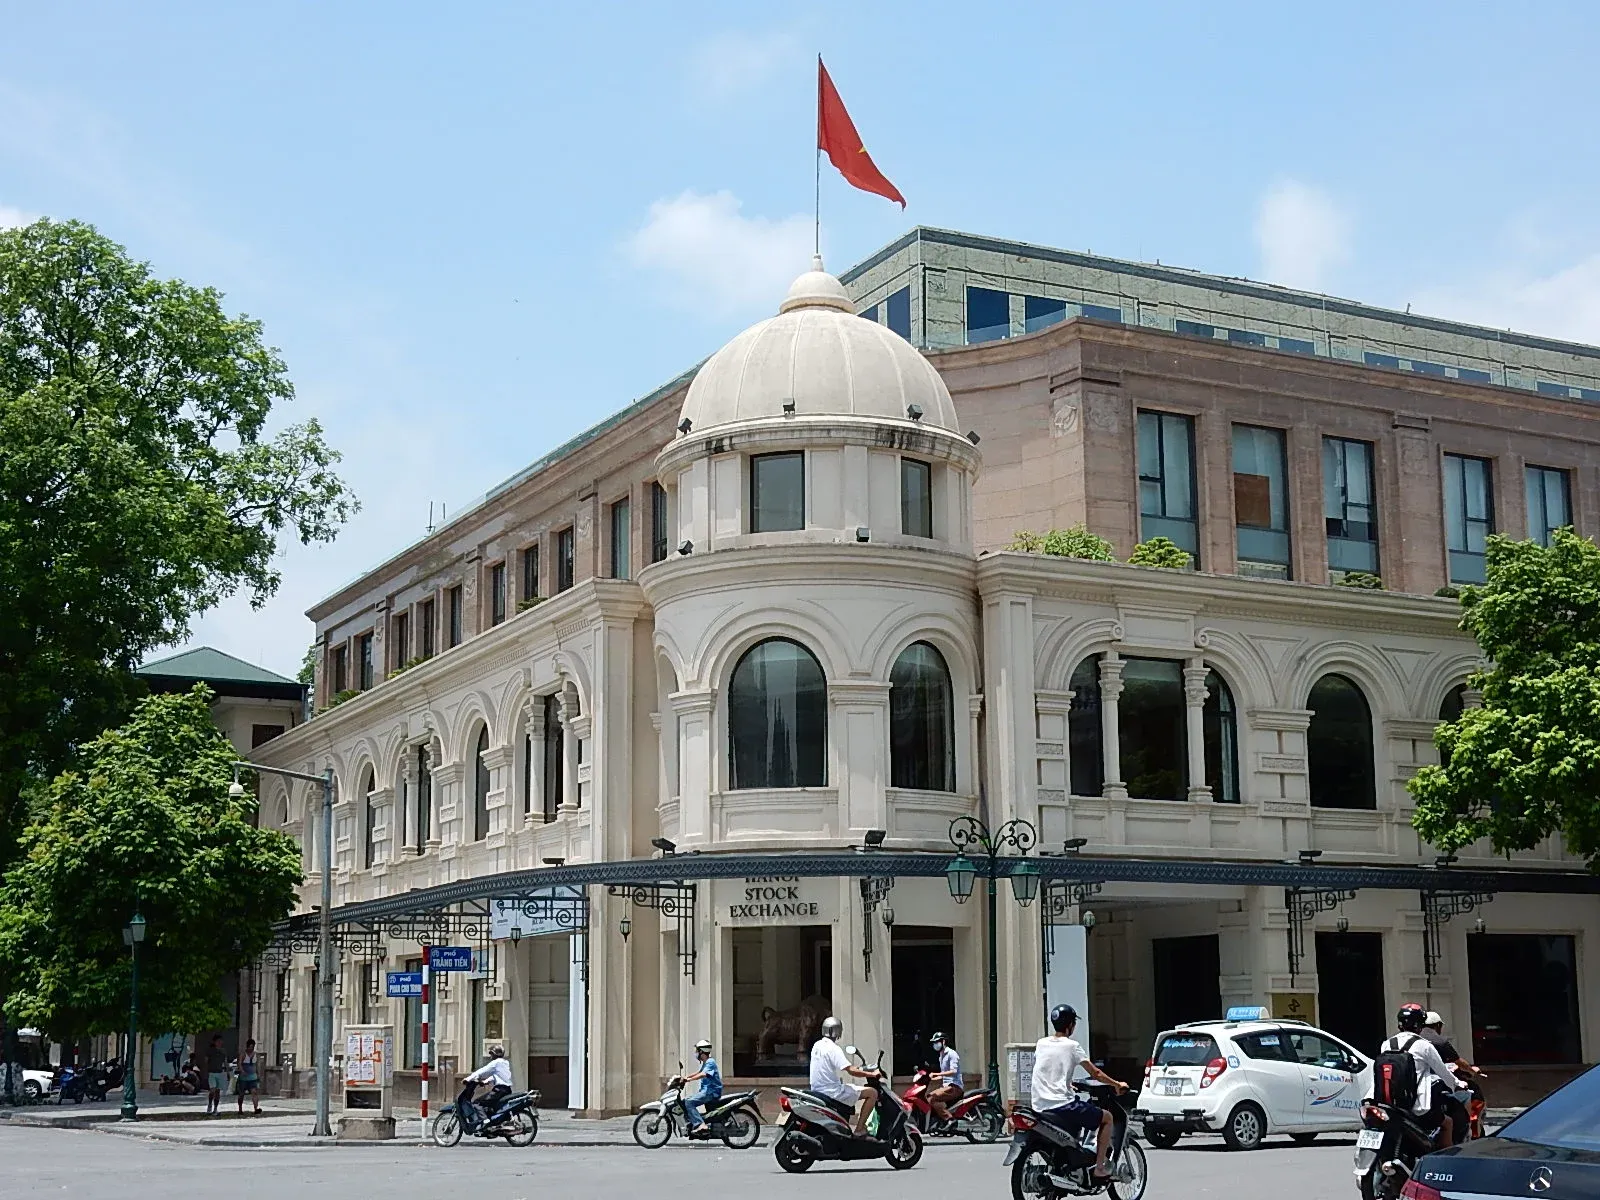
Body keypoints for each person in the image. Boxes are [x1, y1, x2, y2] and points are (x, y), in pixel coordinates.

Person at [1032, 1004, 1127, 1181]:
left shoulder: (1041, 1043)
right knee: (1107, 1118)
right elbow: (1096, 1073)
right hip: (1061, 1106)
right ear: (1070, 1025)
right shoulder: (1072, 1046)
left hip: (1039, 1105)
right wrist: (1116, 1084)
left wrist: (1067, 1085)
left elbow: (1048, 1068)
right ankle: (1099, 1168)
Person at [1376, 1003, 1464, 1149]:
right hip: (1417, 1104)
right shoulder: (1424, 1045)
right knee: (1447, 1123)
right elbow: (1442, 1071)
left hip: (1390, 1102)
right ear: (1420, 1025)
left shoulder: (1387, 1044)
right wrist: (1457, 1084)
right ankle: (1444, 1160)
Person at [808, 1016, 879, 1137]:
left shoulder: (817, 1045)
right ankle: (859, 1129)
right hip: (832, 1091)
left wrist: (859, 1069)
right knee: (872, 1093)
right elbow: (850, 1070)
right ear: (838, 1031)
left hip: (817, 1090)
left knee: (850, 1088)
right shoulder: (833, 1048)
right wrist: (871, 1074)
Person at [1421, 1012, 1484, 1143]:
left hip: (1413, 1089)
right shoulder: (1438, 1042)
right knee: (1466, 1094)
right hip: (1433, 1087)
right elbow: (1456, 1063)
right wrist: (1470, 1071)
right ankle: (1466, 1135)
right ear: (1437, 1025)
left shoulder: (1407, 1041)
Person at [461, 1045, 514, 1131]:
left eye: (491, 1054)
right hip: (507, 1090)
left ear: (495, 1054)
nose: (490, 1056)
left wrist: (468, 1079)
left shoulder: (495, 1062)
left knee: (477, 1103)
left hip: (499, 1090)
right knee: (490, 1106)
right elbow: (498, 1075)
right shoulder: (505, 1062)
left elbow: (482, 1070)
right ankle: (493, 1124)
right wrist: (486, 1082)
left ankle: (485, 1121)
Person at [680, 1039, 724, 1139]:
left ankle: (701, 1125)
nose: (695, 1053)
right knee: (686, 1101)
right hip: (707, 1091)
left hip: (711, 1092)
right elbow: (698, 1073)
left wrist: (689, 1080)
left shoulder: (710, 1062)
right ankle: (695, 1124)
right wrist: (684, 1077)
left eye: (697, 1051)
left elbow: (703, 1074)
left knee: (689, 1102)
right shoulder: (706, 1063)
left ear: (701, 1051)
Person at [927, 1032, 962, 1130]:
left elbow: (953, 1071)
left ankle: (949, 1119)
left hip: (954, 1086)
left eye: (937, 1042)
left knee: (931, 1098)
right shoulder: (941, 1055)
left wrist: (937, 1074)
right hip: (947, 1085)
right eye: (934, 1042)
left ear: (943, 1042)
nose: (935, 1044)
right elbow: (945, 1075)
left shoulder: (951, 1054)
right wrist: (933, 1078)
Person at [235, 1039, 261, 1115]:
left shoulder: (255, 1054)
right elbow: (239, 1064)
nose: (251, 1049)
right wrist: (242, 1071)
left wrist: (258, 1074)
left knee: (254, 1092)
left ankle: (256, 1108)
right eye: (250, 1047)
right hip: (244, 1078)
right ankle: (240, 1109)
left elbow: (257, 1065)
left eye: (252, 1047)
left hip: (253, 1077)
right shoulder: (243, 1054)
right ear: (247, 1047)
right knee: (241, 1094)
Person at [204, 1035, 228, 1115]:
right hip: (212, 1073)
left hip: (220, 1073)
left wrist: (227, 1072)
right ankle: (210, 1105)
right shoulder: (210, 1051)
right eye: (218, 1041)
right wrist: (206, 1071)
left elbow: (225, 1062)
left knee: (217, 1092)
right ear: (214, 1042)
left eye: (221, 1041)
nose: (220, 1043)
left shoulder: (223, 1051)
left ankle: (215, 1108)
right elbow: (206, 1061)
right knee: (212, 1090)